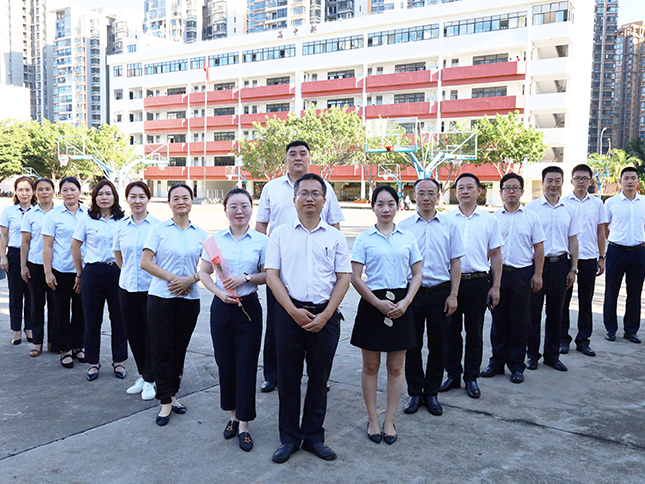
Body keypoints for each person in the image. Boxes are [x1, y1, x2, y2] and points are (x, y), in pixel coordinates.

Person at [265, 173, 351, 463]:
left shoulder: (335, 237)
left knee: (318, 379)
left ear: (325, 201)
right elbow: (272, 276)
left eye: (316, 193)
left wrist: (326, 315)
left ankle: (314, 436)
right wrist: (292, 311)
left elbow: (343, 278)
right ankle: (289, 438)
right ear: (295, 200)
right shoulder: (279, 234)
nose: (310, 198)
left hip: (325, 316)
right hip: (289, 315)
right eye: (304, 193)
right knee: (288, 379)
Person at [255, 140, 344, 393]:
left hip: (316, 264)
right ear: (285, 159)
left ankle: (319, 376)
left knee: (319, 326)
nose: (297, 158)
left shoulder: (323, 187)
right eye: (292, 154)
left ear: (309, 158)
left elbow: (334, 224)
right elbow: (261, 225)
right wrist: (261, 261)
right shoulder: (272, 187)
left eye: (303, 153)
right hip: (279, 267)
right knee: (277, 323)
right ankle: (273, 374)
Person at [350, 185, 422, 445]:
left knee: (396, 367)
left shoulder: (408, 237)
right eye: (380, 204)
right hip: (373, 303)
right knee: (371, 366)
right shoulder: (364, 239)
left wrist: (406, 302)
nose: (385, 209)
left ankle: (389, 420)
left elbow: (417, 274)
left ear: (398, 206)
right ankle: (372, 419)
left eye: (390, 203)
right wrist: (377, 303)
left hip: (402, 303)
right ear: (373, 207)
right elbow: (355, 278)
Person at [199, 188, 268, 452]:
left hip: (248, 308)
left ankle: (245, 425)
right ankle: (233, 416)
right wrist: (219, 293)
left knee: (247, 365)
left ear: (252, 208)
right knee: (225, 363)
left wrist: (246, 278)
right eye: (233, 207)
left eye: (245, 206)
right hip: (222, 307)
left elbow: (269, 275)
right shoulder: (214, 241)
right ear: (225, 210)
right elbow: (204, 273)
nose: (239, 211)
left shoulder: (262, 241)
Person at [141, 184, 207, 426]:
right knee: (161, 349)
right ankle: (165, 401)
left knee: (179, 349)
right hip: (161, 297)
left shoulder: (201, 234)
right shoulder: (158, 230)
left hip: (189, 299)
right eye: (176, 198)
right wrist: (174, 279)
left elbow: (213, 266)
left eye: (185, 197)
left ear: (192, 200)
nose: (181, 202)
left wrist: (192, 279)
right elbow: (145, 262)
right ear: (169, 203)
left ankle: (173, 394)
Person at [399, 178, 464, 417]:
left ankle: (432, 393)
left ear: (438, 196)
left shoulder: (450, 226)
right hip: (412, 294)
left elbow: (455, 263)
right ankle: (415, 393)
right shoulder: (404, 227)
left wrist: (453, 295)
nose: (426, 198)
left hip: (440, 292)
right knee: (411, 345)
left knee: (439, 345)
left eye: (430, 193)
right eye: (421, 193)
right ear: (414, 196)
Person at [442, 173, 503, 399]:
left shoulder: (489, 220)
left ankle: (471, 377)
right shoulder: (446, 220)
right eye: (461, 188)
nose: (465, 191)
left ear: (479, 191)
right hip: (451, 284)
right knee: (451, 332)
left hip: (478, 282)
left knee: (474, 333)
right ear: (456, 192)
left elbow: (496, 254)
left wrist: (495, 286)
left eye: (470, 187)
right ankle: (453, 375)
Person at [481, 173, 545, 384]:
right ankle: (496, 363)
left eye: (515, 188)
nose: (511, 191)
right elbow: (488, 249)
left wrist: (537, 274)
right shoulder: (492, 219)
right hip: (497, 276)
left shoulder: (531, 217)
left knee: (520, 321)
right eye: (507, 188)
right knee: (498, 321)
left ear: (522, 192)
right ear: (500, 192)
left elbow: (539, 247)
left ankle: (517, 366)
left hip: (522, 275)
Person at [526, 166, 581, 372]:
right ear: (543, 183)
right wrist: (534, 272)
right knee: (532, 313)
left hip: (561, 266)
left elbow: (573, 241)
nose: (553, 184)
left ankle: (552, 355)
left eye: (557, 180)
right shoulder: (532, 208)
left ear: (562, 182)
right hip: (536, 267)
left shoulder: (570, 209)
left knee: (556, 312)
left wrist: (573, 269)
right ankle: (532, 355)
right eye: (549, 180)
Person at [72, 179, 127, 381]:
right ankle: (93, 362)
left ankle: (118, 361)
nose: (104, 197)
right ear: (94, 197)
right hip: (93, 272)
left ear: (115, 197)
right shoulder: (86, 219)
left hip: (117, 271)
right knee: (92, 319)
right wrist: (80, 273)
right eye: (100, 194)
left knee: (119, 318)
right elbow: (75, 246)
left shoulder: (124, 220)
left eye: (108, 193)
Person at [113, 181, 160, 399]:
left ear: (148, 198)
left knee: (151, 335)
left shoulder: (157, 226)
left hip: (152, 289)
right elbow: (118, 256)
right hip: (127, 288)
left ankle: (151, 379)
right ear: (127, 199)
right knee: (134, 334)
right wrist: (128, 274)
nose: (137, 201)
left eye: (142, 196)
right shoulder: (121, 226)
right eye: (133, 196)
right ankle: (143, 375)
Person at [560, 165, 608, 356]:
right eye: (578, 178)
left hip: (589, 258)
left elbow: (601, 232)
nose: (581, 182)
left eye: (585, 178)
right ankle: (563, 339)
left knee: (586, 302)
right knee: (563, 302)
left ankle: (583, 340)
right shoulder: (564, 203)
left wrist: (601, 257)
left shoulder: (597, 204)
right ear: (571, 181)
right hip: (567, 259)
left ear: (590, 181)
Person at [42, 177, 87, 368]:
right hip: (61, 270)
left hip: (84, 271)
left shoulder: (89, 214)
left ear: (79, 191)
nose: (69, 193)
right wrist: (48, 272)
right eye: (65, 190)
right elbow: (47, 246)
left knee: (81, 311)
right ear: (60, 193)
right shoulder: (53, 216)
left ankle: (78, 346)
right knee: (61, 311)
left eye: (73, 189)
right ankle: (65, 350)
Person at [603, 166, 645, 344]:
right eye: (626, 178)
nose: (629, 181)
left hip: (639, 252)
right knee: (611, 291)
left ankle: (631, 330)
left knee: (635, 292)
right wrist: (616, 239)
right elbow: (605, 227)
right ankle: (611, 329)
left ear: (638, 181)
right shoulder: (611, 203)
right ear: (620, 181)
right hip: (616, 251)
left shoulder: (643, 202)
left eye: (633, 178)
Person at [20, 178, 56, 357]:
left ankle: (53, 341)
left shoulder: (60, 213)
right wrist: (23, 265)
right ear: (35, 192)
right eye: (40, 189)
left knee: (56, 306)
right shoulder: (30, 215)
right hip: (35, 265)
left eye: (47, 189)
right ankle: (37, 342)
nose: (44, 192)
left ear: (54, 191)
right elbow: (25, 242)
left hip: (56, 266)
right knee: (36, 305)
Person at [1, 176, 36, 345]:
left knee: (32, 294)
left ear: (33, 192)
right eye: (20, 189)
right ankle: (16, 329)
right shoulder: (9, 211)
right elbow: (3, 235)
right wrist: (2, 256)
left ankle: (29, 327)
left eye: (27, 189)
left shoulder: (38, 211)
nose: (24, 193)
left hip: (34, 255)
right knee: (15, 293)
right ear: (15, 191)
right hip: (15, 254)